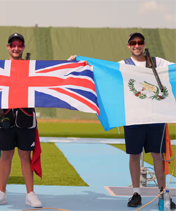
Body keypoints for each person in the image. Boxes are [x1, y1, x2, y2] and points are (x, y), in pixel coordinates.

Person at [70, 32, 175, 209]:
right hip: (133, 117)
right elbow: (102, 71)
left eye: (139, 42)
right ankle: (136, 193)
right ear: (128, 46)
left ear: (144, 44)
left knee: (157, 156)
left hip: (156, 118)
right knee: (134, 155)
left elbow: (173, 70)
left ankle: (163, 193)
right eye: (133, 43)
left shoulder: (158, 62)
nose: (137, 45)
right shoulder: (123, 65)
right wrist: (81, 61)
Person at [0, 33, 42, 208]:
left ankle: (30, 194)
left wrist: (74, 63)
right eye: (13, 45)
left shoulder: (31, 68)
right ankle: (1, 193)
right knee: (6, 156)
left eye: (19, 45)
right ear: (8, 47)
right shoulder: (0, 68)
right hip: (5, 118)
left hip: (25, 118)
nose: (16, 48)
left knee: (25, 157)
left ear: (23, 47)